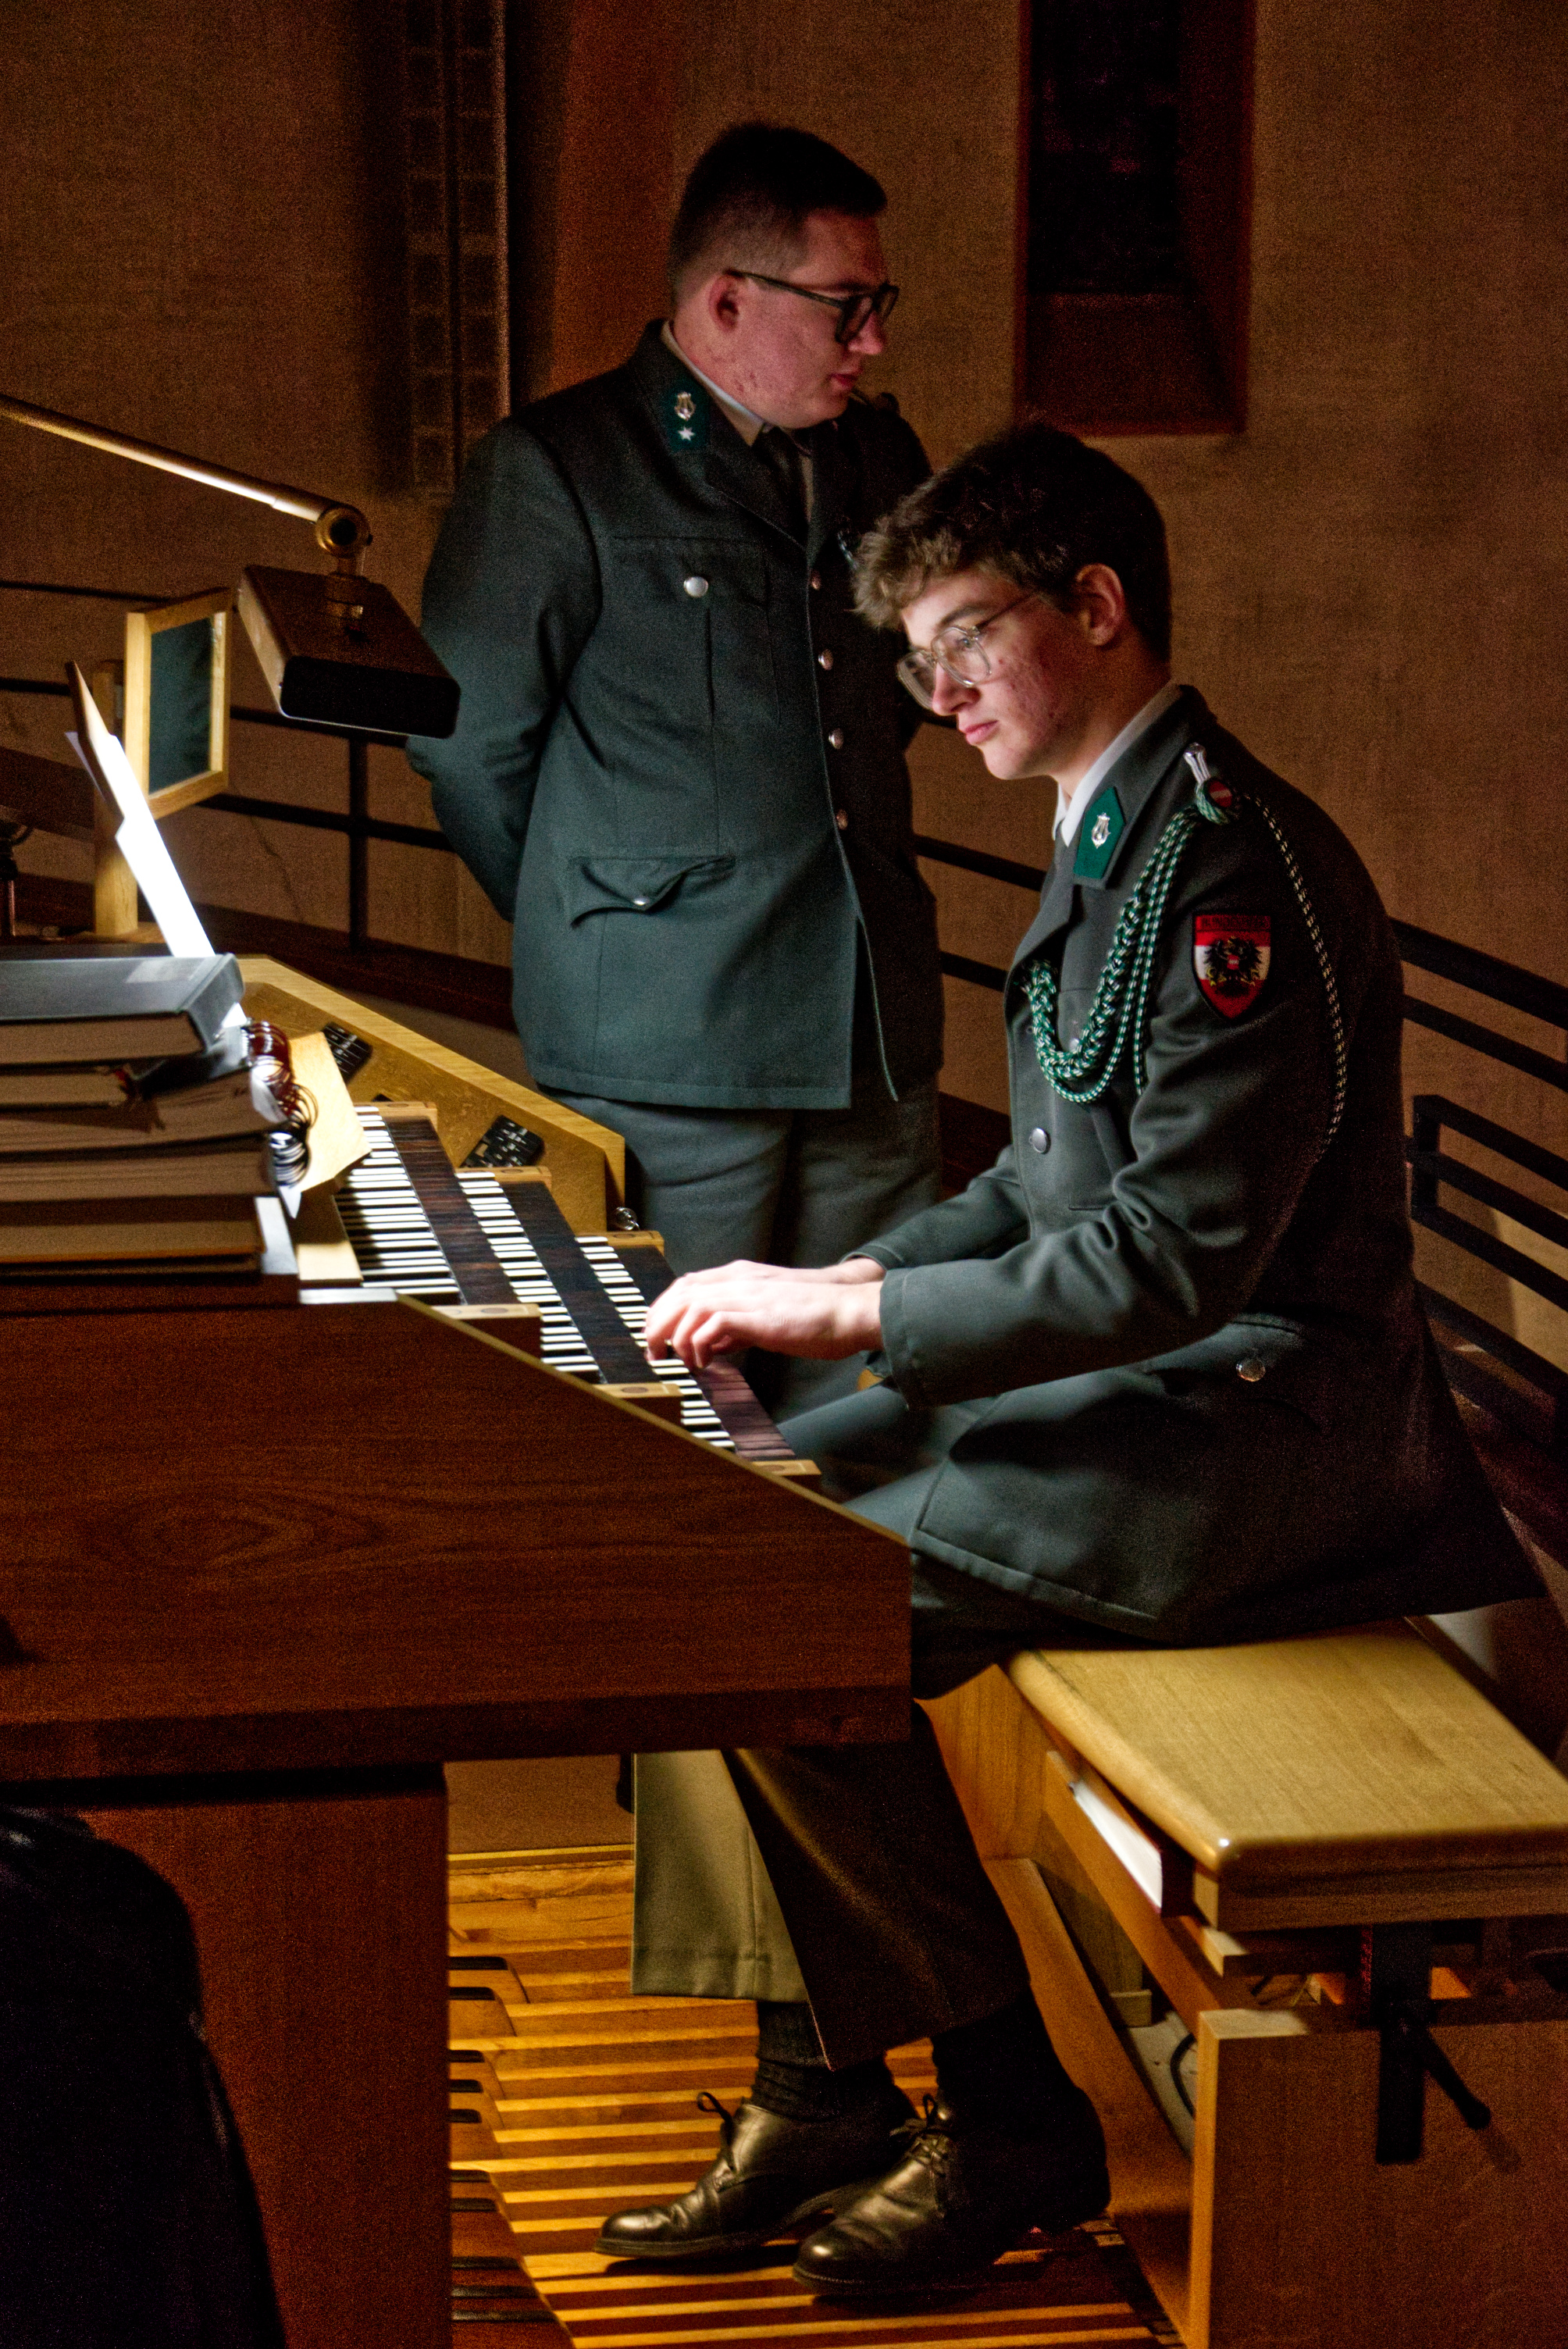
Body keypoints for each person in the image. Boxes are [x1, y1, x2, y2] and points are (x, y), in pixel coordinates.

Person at [601, 424, 1540, 2298]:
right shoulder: (1126, 828)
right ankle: (822, 2086)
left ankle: (1003, 2114)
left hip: (1264, 1442)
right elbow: (1041, 1189)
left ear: (1094, 606)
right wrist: (842, 1274)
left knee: (773, 1600)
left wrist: (852, 1320)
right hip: (1170, 1399)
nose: (937, 691)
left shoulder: (1226, 874)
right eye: (916, 659)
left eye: (964, 637)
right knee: (712, 1518)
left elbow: (1174, 1259)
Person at [408, 122, 944, 1417]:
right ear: (726, 301)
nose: (872, 340)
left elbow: (891, 703)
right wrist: (611, 925)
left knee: (873, 1409)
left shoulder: (881, 461)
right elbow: (469, 747)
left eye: (881, 303)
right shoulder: (561, 468)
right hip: (666, 1048)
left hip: (866, 1021)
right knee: (678, 1417)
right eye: (847, 306)